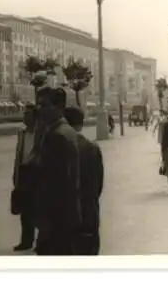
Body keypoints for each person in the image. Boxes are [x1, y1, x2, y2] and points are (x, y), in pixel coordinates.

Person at [34, 87, 81, 256]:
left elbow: (57, 183)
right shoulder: (61, 131)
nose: (40, 109)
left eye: (45, 105)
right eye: (38, 105)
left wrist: (46, 222)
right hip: (61, 217)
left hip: (56, 218)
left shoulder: (57, 136)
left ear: (59, 106)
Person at [64, 106, 104, 255]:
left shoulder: (55, 145)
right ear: (81, 124)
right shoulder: (92, 148)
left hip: (64, 218)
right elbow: (98, 185)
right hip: (88, 212)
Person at [11, 103, 37, 251]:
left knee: (39, 208)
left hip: (37, 172)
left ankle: (40, 241)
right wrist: (16, 174)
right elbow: (18, 154)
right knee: (25, 210)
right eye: (24, 114)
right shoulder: (22, 133)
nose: (24, 117)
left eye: (27, 114)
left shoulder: (41, 132)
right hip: (24, 172)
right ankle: (26, 241)